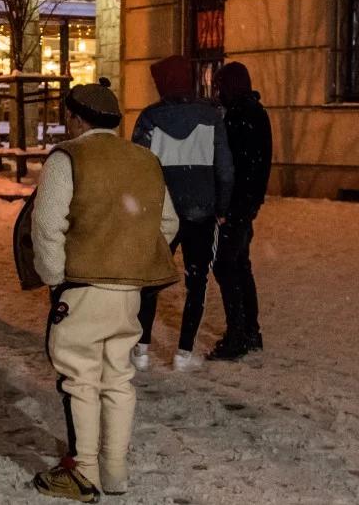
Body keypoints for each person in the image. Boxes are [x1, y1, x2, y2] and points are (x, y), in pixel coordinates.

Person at [31, 82, 179, 502]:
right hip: (129, 292)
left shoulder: (69, 157)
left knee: (79, 379)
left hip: (83, 286)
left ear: (77, 117)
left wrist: (55, 275)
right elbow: (167, 223)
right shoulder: (144, 159)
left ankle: (84, 472)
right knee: (119, 378)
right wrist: (131, 259)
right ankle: (115, 469)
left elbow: (46, 224)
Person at [131, 55, 234, 372]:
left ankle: (142, 348)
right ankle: (184, 353)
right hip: (201, 211)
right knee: (197, 281)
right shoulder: (211, 117)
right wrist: (222, 206)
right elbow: (225, 169)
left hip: (160, 212)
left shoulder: (149, 118)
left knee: (149, 279)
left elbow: (137, 165)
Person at [207, 62, 271, 361]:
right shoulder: (253, 113)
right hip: (245, 203)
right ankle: (249, 330)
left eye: (219, 87)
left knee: (226, 266)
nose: (216, 93)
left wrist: (230, 206)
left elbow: (234, 166)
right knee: (239, 265)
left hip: (236, 204)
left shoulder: (240, 117)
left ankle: (238, 335)